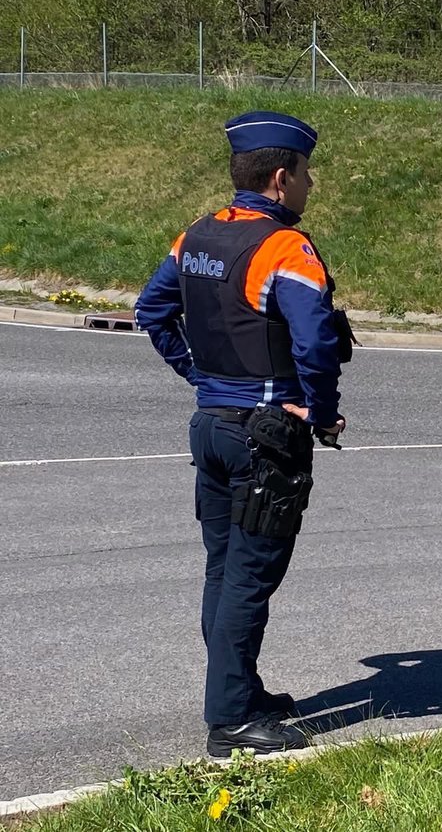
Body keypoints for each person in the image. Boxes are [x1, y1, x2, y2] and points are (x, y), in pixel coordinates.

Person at [134, 110, 351, 756]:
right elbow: (314, 343)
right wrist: (320, 409)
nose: (311, 184)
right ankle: (229, 721)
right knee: (250, 578)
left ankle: (238, 691)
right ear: (281, 178)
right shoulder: (288, 248)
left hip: (213, 423)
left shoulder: (194, 238)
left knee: (224, 570)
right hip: (265, 435)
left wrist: (199, 375)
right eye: (307, 173)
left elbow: (152, 310)